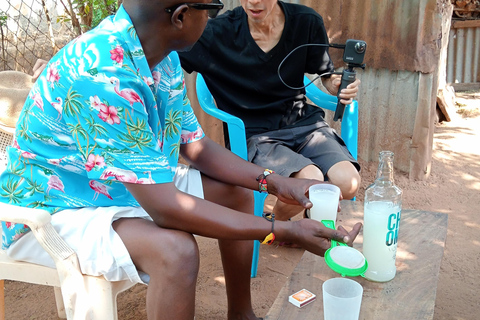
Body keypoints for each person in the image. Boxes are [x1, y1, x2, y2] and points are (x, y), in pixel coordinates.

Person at [1, 1, 361, 319]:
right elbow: (166, 210)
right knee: (176, 252)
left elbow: (195, 146)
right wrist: (282, 229)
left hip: (115, 185)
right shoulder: (103, 74)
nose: (214, 18)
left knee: (236, 193)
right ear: (181, 16)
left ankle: (240, 313)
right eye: (211, 9)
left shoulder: (161, 56)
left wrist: (276, 181)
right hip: (52, 208)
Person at [178, 0, 362, 222]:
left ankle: (280, 221)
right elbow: (163, 54)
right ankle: (281, 225)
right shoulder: (215, 33)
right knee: (309, 181)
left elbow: (325, 74)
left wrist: (336, 85)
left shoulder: (306, 21)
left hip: (305, 125)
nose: (254, 1)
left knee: (348, 181)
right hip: (256, 135)